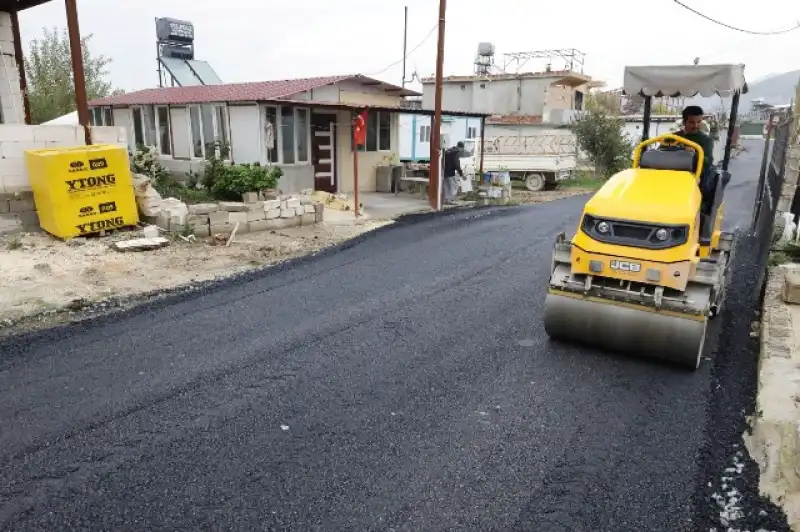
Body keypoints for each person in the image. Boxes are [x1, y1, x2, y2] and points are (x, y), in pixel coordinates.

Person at [672, 105, 717, 209]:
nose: (696, 125)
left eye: (699, 122)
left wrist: (695, 154)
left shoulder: (706, 140)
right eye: (692, 122)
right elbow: (662, 151)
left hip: (694, 177)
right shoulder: (673, 137)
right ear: (684, 122)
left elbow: (708, 161)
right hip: (673, 173)